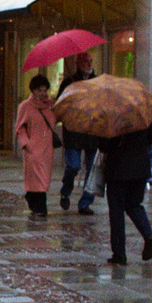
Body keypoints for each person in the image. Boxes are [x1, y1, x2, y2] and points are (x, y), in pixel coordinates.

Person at [98, 122, 152, 265]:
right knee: (134, 205)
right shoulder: (140, 117)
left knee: (116, 211)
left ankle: (119, 253)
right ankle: (148, 235)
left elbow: (104, 146)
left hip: (118, 171)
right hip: (140, 170)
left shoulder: (112, 120)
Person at [57, 52, 98, 214]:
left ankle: (85, 203)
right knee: (73, 166)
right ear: (78, 64)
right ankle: (66, 191)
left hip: (92, 133)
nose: (89, 64)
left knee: (92, 170)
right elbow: (60, 105)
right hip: (73, 133)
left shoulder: (96, 83)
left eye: (90, 61)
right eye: (85, 61)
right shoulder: (69, 82)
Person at [14, 74, 57, 218]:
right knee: (36, 177)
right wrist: (27, 143)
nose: (42, 93)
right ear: (33, 90)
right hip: (33, 148)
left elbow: (55, 120)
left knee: (43, 177)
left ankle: (33, 199)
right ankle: (40, 206)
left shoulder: (50, 106)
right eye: (39, 90)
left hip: (47, 148)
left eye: (45, 90)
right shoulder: (25, 106)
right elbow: (20, 127)